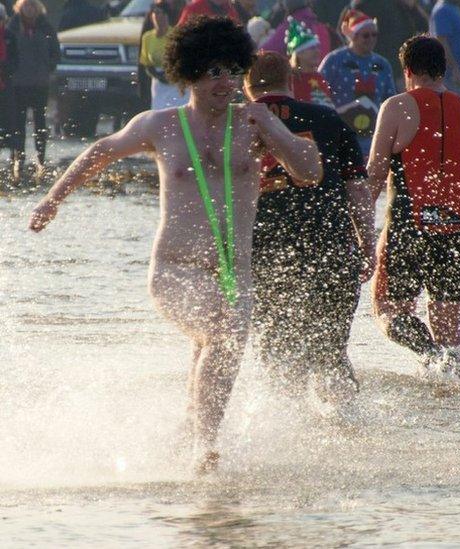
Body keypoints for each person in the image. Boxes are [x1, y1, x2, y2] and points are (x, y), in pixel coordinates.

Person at [29, 16, 322, 472]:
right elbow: (97, 153)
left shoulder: (254, 123)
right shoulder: (159, 125)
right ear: (189, 75)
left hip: (234, 274)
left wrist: (272, 125)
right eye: (213, 74)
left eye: (231, 71)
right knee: (222, 338)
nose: (225, 83)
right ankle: (206, 451)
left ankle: (187, 436)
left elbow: (309, 171)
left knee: (216, 349)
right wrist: (52, 201)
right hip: (175, 269)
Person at [245, 52, 375, 405]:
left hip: (263, 256)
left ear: (246, 84)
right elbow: (359, 190)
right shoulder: (328, 119)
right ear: (289, 80)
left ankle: (290, 435)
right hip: (330, 250)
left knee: (278, 355)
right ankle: (349, 432)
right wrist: (368, 244)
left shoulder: (236, 125)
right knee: (331, 354)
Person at [366, 35, 460, 377]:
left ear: (407, 70)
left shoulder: (396, 106)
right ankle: (456, 382)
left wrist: (357, 225)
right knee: (449, 327)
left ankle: (433, 358)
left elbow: (374, 176)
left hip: (411, 228)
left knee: (388, 311)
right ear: (444, 68)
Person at [319, 9, 396, 160]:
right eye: (365, 35)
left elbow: (390, 101)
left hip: (372, 138)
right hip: (340, 137)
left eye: (374, 35)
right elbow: (318, 93)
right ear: (353, 36)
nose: (371, 39)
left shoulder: (382, 64)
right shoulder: (334, 61)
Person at [8, 0, 59, 180]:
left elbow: (55, 51)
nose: (29, 9)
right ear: (20, 8)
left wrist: (48, 67)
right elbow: (8, 52)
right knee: (18, 123)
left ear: (37, 8)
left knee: (40, 122)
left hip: (40, 83)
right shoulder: (13, 26)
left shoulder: (45, 27)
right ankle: (17, 158)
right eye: (26, 6)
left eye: (32, 6)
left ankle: (41, 160)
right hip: (18, 83)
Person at [336, 0, 429, 84]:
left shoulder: (400, 5)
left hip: (399, 67)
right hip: (368, 67)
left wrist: (412, 7)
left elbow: (423, 26)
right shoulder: (364, 5)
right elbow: (344, 29)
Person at [140, 2, 189, 110]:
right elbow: (146, 63)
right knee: (159, 111)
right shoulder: (147, 37)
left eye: (161, 13)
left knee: (176, 111)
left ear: (167, 16)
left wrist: (172, 75)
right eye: (155, 13)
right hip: (158, 82)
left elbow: (182, 60)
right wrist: (158, 76)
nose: (158, 17)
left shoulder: (176, 35)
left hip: (176, 81)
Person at [429, 0, 460, 100]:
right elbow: (441, 43)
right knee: (457, 110)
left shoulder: (454, 7)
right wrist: (454, 68)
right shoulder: (442, 11)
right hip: (450, 76)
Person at [260, 0, 332, 60]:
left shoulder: (287, 28)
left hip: (297, 75)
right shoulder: (321, 28)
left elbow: (263, 53)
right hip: (322, 76)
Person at [286, 17, 333, 107]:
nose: (317, 51)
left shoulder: (319, 77)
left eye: (317, 47)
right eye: (311, 48)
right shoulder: (291, 82)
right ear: (299, 54)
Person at [0, 3, 17, 153]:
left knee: (9, 120)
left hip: (6, 83)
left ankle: (13, 152)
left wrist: (5, 70)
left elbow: (15, 60)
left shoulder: (10, 36)